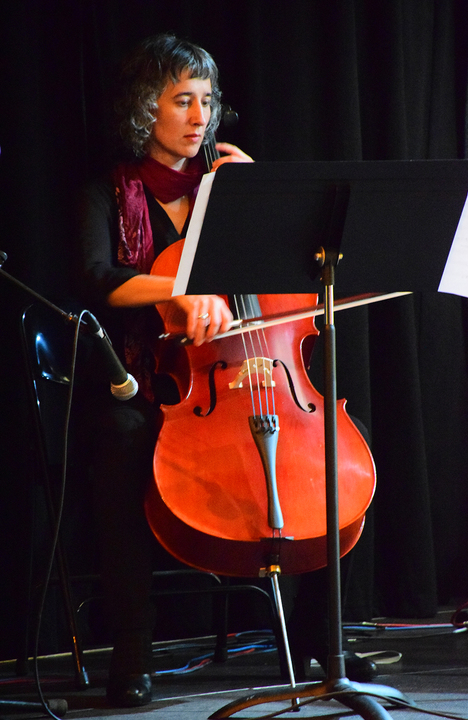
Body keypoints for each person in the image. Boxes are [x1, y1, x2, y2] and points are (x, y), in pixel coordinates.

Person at [77, 32, 376, 708]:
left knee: (331, 448)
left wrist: (262, 197)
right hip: (154, 380)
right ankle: (133, 647)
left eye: (207, 102)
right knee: (120, 437)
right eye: (182, 100)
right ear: (144, 109)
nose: (199, 116)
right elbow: (98, 277)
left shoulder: (228, 186)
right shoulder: (108, 192)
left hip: (259, 376)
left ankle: (320, 640)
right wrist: (180, 291)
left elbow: (297, 274)